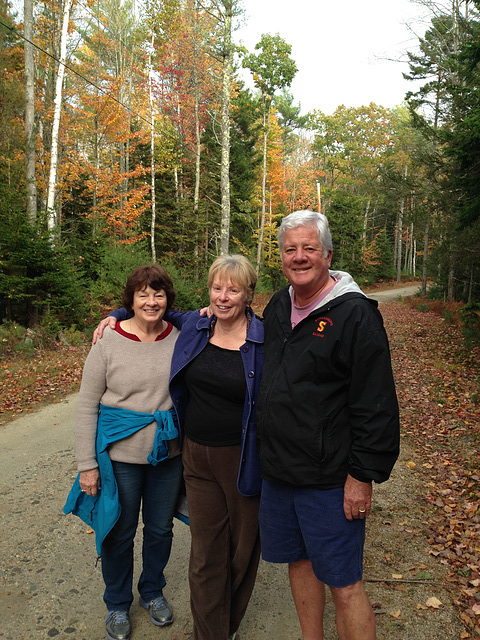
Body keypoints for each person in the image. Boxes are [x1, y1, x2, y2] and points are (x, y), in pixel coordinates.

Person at [94, 255, 264, 640]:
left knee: (240, 550)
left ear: (248, 294)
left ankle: (228, 621)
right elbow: (151, 306)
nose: (223, 297)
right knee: (205, 552)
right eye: (217, 288)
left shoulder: (264, 340)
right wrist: (114, 313)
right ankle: (209, 632)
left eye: (233, 289)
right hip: (194, 456)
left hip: (243, 459)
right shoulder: (195, 324)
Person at [255, 210, 400, 640]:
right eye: (290, 250)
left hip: (330, 479)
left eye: (309, 249)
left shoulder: (355, 315)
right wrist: (118, 314)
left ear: (328, 254)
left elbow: (376, 404)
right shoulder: (279, 305)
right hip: (280, 473)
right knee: (299, 563)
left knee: (344, 581)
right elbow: (226, 319)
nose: (299, 257)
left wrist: (362, 476)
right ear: (281, 256)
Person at [64, 265, 184, 640]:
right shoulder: (108, 342)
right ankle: (117, 603)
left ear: (168, 300)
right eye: (143, 295)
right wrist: (87, 465)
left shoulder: (182, 337)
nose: (151, 302)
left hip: (168, 455)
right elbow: (87, 406)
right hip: (120, 459)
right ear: (130, 300)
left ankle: (152, 592)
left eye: (159, 294)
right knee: (119, 531)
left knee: (161, 529)